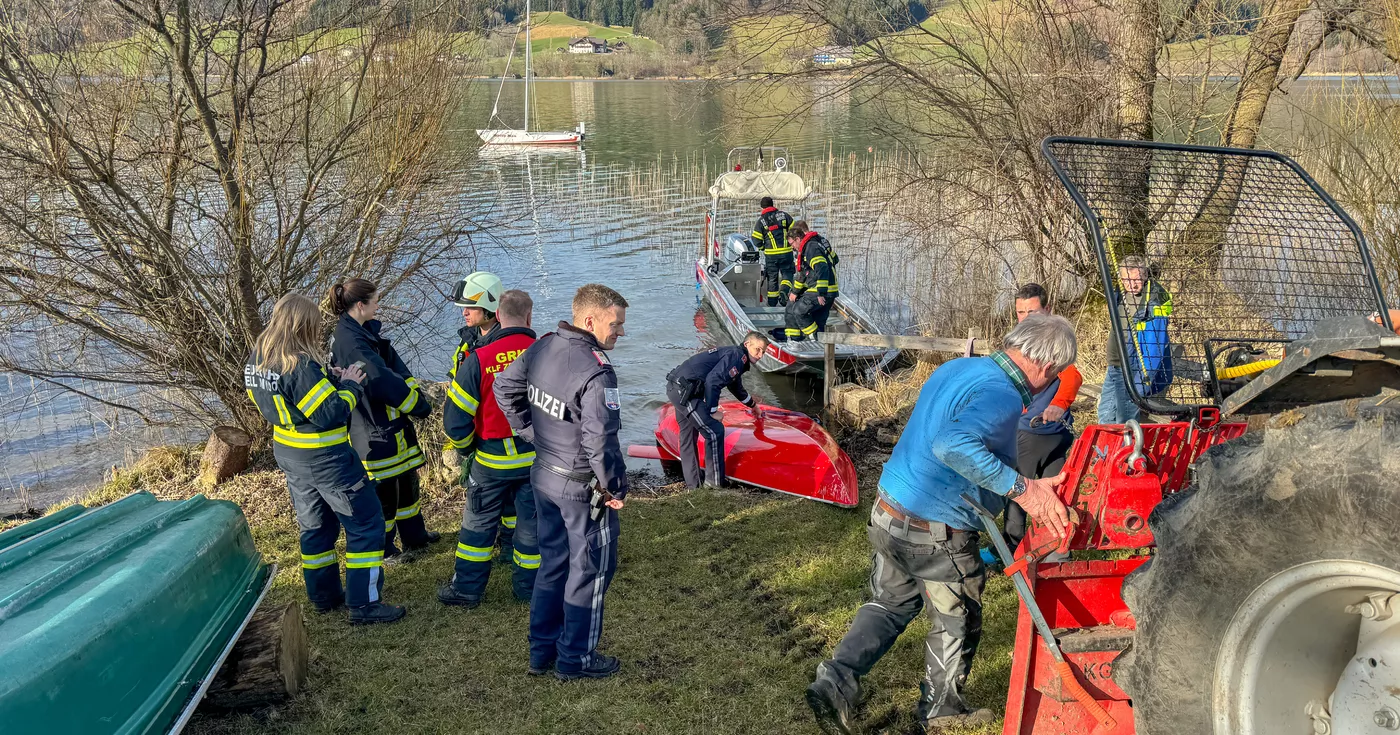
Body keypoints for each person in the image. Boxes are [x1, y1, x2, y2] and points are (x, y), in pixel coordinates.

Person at [806, 315, 1076, 734]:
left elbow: (943, 433)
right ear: (1048, 368)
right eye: (1056, 377)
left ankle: (835, 680)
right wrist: (1024, 490)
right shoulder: (1003, 395)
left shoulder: (960, 368)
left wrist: (1016, 483)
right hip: (935, 529)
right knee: (959, 617)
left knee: (889, 602)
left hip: (890, 507)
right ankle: (942, 711)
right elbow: (951, 443)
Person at [495, 283, 630, 681]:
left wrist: (531, 433)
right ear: (590, 319)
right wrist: (613, 487)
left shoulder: (543, 347)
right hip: (580, 487)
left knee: (553, 564)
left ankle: (542, 652)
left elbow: (505, 387)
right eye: (616, 324)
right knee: (589, 570)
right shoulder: (596, 370)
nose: (620, 333)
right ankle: (576, 658)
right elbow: (599, 438)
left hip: (544, 475)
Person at [244, 294, 405, 625]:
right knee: (366, 523)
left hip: (290, 453)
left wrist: (325, 377)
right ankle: (365, 604)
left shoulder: (258, 359)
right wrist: (348, 386)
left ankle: (324, 595)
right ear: (303, 325)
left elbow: (287, 399)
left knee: (315, 526)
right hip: (326, 458)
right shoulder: (298, 365)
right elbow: (330, 413)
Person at [439, 289, 541, 607]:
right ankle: (529, 587)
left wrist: (469, 447)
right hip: (536, 457)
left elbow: (455, 419)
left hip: (491, 459)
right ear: (529, 317)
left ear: (497, 316)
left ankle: (467, 590)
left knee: (478, 526)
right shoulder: (544, 354)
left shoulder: (477, 359)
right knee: (531, 525)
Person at [328, 279, 440, 562]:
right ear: (361, 305)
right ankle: (386, 549)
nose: (379, 305)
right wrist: (417, 403)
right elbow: (379, 380)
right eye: (376, 300)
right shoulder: (351, 342)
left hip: (386, 425)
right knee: (385, 492)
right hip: (373, 428)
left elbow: (389, 366)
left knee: (405, 481)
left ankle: (415, 536)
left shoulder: (359, 332)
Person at [1005, 283, 1082, 553]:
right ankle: (1054, 548)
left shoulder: (1048, 340)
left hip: (1038, 433)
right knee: (1052, 492)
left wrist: (1059, 405)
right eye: (1021, 312)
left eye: (1033, 311)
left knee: (1019, 490)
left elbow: (1072, 376)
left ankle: (1015, 549)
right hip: (1042, 433)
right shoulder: (1019, 341)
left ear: (1047, 310)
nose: (1027, 318)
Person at [664, 332, 767, 489]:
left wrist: (754, 406)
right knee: (714, 430)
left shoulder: (736, 355)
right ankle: (715, 483)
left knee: (688, 436)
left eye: (763, 352)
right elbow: (713, 382)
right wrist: (712, 412)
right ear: (746, 345)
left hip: (678, 387)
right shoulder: (737, 357)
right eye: (757, 349)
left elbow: (735, 387)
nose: (760, 355)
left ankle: (694, 486)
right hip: (685, 391)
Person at [1099, 255, 1172, 425]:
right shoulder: (1119, 293)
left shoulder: (1154, 300)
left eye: (1135, 279)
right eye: (1125, 279)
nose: (1130, 285)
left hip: (1135, 368)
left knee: (1125, 420)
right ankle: (1107, 451)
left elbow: (1155, 348)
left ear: (1145, 275)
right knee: (1105, 414)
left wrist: (1140, 384)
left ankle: (1128, 449)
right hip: (1116, 365)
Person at [781, 221, 839, 342]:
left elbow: (821, 268)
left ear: (798, 238)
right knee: (819, 320)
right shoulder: (820, 242)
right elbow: (834, 259)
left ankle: (812, 338)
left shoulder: (810, 248)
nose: (792, 247)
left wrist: (820, 292)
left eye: (792, 244)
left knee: (796, 310)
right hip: (829, 289)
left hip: (821, 289)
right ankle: (821, 346)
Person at [449, 271, 505, 379]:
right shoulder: (468, 337)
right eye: (464, 308)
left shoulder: (503, 344)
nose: (464, 313)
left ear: (489, 308)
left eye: (471, 307)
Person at [750, 196, 795, 306]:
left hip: (771, 255)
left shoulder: (761, 221)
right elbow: (795, 230)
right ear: (773, 204)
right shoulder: (784, 215)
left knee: (772, 279)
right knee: (787, 274)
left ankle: (772, 303)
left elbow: (756, 239)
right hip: (786, 252)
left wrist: (762, 248)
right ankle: (784, 291)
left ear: (762, 207)